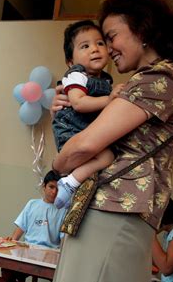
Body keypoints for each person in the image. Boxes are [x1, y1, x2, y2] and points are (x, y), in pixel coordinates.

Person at [49, 0, 173, 282]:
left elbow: (84, 146)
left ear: (142, 30)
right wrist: (66, 114)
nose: (107, 48)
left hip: (115, 209)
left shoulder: (158, 79)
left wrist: (57, 165)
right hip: (114, 209)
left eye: (111, 36)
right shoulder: (149, 80)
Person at [52, 20, 124, 209]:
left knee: (103, 161)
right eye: (85, 46)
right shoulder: (76, 75)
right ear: (70, 62)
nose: (95, 49)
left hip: (86, 131)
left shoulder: (105, 80)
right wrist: (109, 100)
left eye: (100, 43)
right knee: (107, 157)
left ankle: (72, 189)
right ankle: (69, 183)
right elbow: (78, 103)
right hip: (72, 130)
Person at [2, 170, 65, 282]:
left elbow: (64, 240)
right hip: (27, 251)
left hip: (50, 254)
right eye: (51, 187)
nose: (54, 192)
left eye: (58, 189)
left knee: (61, 281)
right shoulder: (32, 204)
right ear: (44, 187)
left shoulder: (63, 210)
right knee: (6, 269)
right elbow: (20, 229)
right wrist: (12, 241)